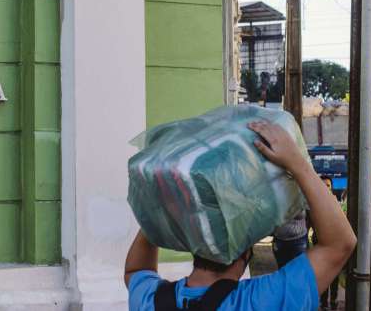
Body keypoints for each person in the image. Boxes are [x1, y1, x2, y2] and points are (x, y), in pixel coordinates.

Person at [124, 121, 357, 310]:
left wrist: (165, 203)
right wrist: (298, 164)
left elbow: (135, 271)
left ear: (194, 238)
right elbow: (341, 243)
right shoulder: (261, 302)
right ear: (246, 250)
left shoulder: (151, 301)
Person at [310, 177, 340, 310]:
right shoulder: (314, 202)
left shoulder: (336, 202)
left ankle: (333, 301)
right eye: (323, 185)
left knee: (334, 275)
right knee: (322, 274)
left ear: (331, 187)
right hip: (319, 244)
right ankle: (323, 303)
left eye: (328, 185)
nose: (325, 187)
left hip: (335, 244)